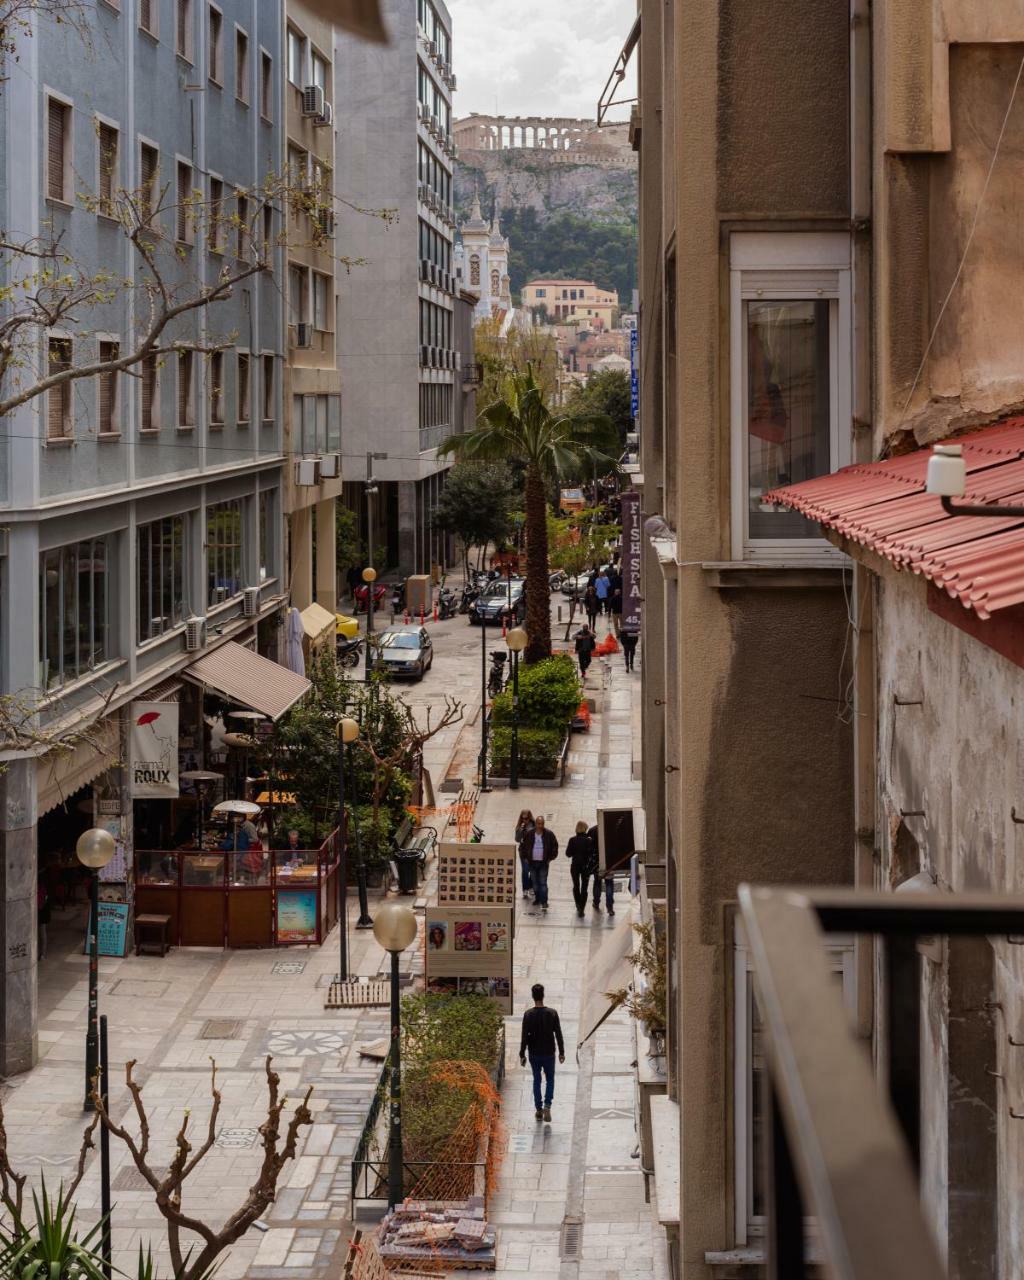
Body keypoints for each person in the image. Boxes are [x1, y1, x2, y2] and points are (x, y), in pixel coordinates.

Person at [519, 982, 565, 1122]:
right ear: (543, 995)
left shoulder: (528, 1015)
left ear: (533, 996)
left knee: (537, 1079)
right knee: (550, 1079)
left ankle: (538, 1109)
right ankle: (548, 1105)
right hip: (549, 1053)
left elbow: (524, 1036)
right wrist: (561, 1052)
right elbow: (558, 1034)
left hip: (534, 1053)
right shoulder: (552, 1013)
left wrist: (522, 1054)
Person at [519, 814, 558, 911]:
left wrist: (550, 858)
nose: (540, 826)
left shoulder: (549, 834)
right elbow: (522, 847)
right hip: (532, 862)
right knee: (535, 883)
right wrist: (525, 858)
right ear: (535, 823)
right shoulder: (529, 834)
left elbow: (555, 847)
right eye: (538, 823)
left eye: (542, 824)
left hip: (543, 863)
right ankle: (538, 898)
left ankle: (544, 902)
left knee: (543, 882)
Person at [567, 821, 598, 918]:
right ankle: (582, 908)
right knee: (584, 888)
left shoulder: (572, 840)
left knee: (576, 886)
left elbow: (568, 854)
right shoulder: (589, 841)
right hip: (585, 867)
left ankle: (577, 904)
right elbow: (591, 853)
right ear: (585, 829)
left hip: (575, 866)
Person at [588, 822, 615, 915]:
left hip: (597, 862)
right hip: (609, 861)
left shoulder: (592, 830)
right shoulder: (612, 830)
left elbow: (589, 847)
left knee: (597, 882)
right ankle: (610, 907)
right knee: (609, 883)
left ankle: (596, 902)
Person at [514, 809, 535, 897]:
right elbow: (517, 839)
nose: (524, 820)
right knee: (525, 870)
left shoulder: (534, 825)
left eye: (526, 818)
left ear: (529, 818)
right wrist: (521, 830)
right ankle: (525, 889)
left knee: (533, 870)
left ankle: (531, 887)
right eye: (523, 818)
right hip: (523, 851)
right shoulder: (520, 826)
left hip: (533, 851)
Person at [37, 877, 50, 961]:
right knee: (41, 935)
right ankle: (41, 954)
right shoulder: (42, 890)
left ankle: (42, 954)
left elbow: (42, 904)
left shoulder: (42, 890)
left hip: (40, 915)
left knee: (42, 935)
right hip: (40, 914)